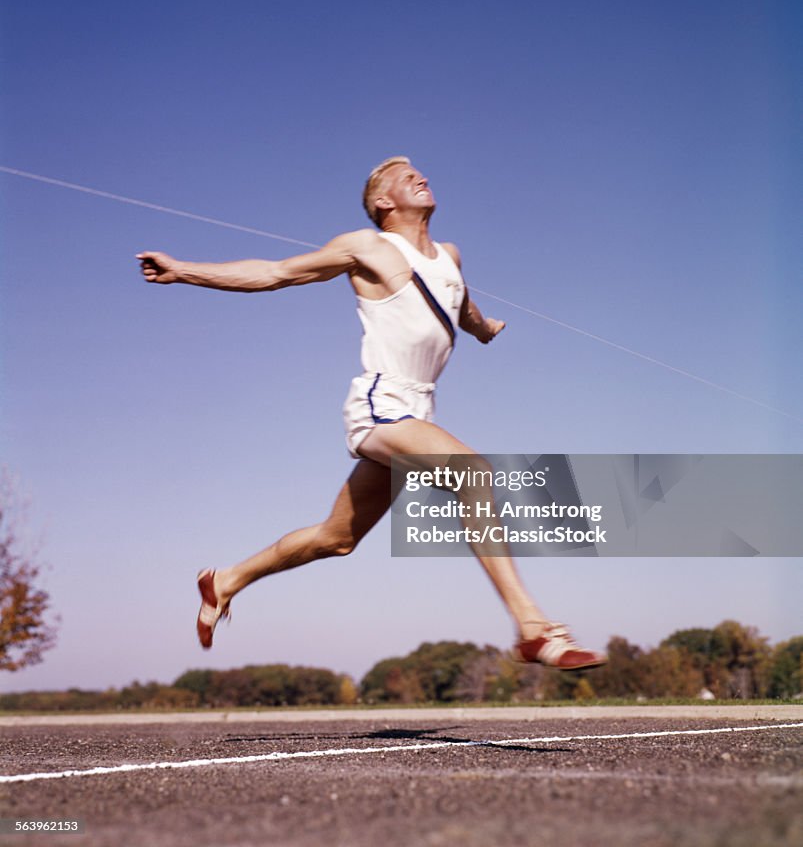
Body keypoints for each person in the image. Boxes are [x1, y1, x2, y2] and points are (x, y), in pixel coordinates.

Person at [137, 156, 605, 670]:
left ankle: (224, 580)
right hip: (382, 405)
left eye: (420, 173)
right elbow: (274, 273)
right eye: (406, 178)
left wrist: (484, 327)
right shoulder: (367, 247)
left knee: (335, 540)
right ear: (383, 202)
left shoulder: (449, 256)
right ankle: (533, 628)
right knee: (473, 473)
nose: (421, 177)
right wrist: (184, 271)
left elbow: (459, 304)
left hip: (417, 409)